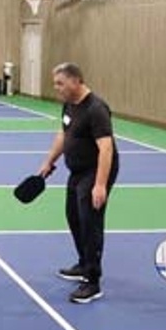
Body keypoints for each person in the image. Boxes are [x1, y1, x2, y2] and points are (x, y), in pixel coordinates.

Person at [34, 63, 119, 304]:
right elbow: (64, 134)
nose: (56, 88)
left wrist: (100, 184)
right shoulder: (69, 104)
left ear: (76, 81)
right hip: (78, 171)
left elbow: (106, 148)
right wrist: (49, 161)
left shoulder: (96, 109)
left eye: (60, 83)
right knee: (73, 216)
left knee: (90, 221)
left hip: (96, 171)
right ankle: (84, 263)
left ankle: (92, 282)